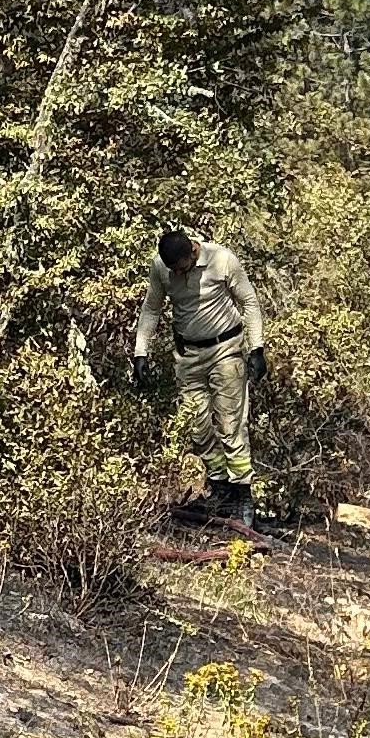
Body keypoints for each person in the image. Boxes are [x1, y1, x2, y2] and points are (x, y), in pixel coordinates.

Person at [133, 223, 265, 522]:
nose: (178, 275)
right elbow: (152, 308)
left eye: (182, 268)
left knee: (231, 423)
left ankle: (242, 495)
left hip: (226, 349)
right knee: (197, 424)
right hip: (188, 355)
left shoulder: (222, 260)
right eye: (173, 271)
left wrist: (257, 348)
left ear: (194, 251)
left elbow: (248, 301)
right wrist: (141, 351)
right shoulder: (162, 268)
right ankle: (219, 488)